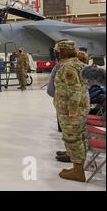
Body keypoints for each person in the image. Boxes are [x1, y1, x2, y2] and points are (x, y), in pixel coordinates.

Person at [54, 41, 90, 182]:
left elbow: (75, 90)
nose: (56, 53)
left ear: (63, 51)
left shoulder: (68, 67)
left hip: (72, 112)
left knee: (73, 139)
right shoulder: (77, 63)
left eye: (58, 50)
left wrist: (73, 111)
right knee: (79, 138)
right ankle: (77, 166)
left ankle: (78, 172)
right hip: (79, 109)